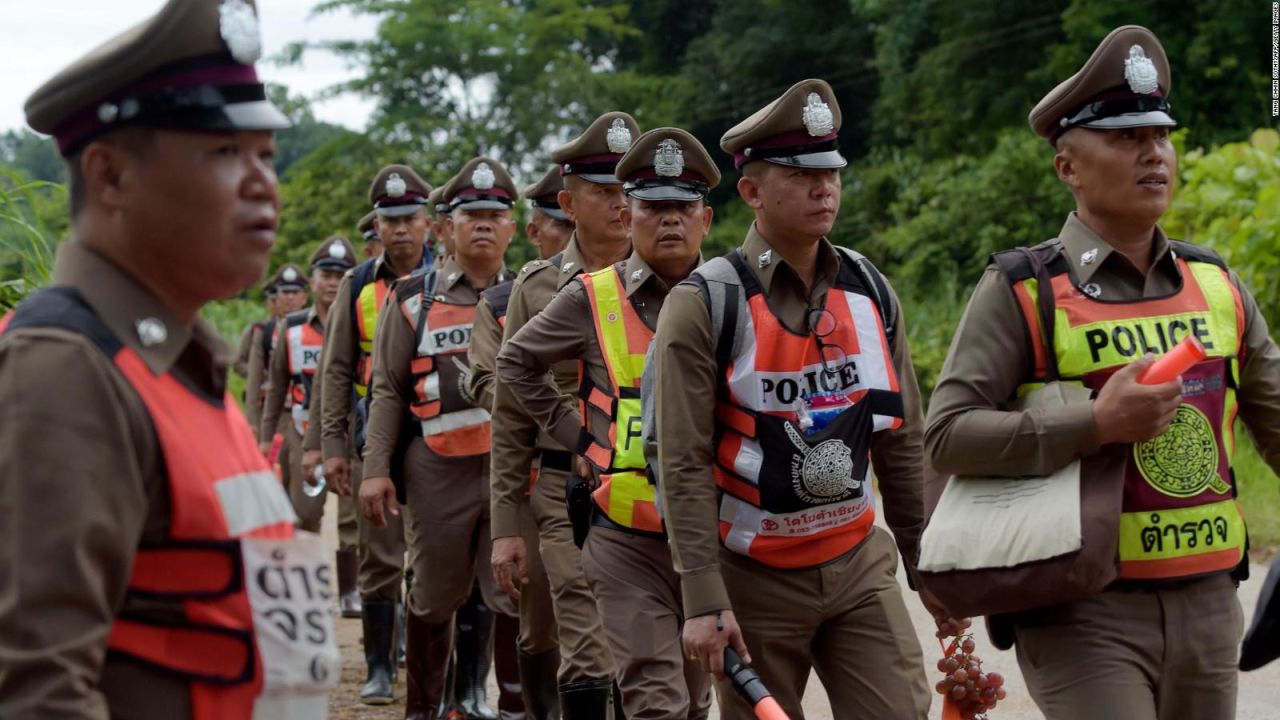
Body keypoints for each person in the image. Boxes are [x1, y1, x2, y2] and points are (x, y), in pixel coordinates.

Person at [924, 25, 1280, 720]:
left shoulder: (1216, 283)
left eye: (1161, 136)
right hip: (1083, 611)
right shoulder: (1024, 290)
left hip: (1210, 603)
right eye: (1125, 138)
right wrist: (1093, 423)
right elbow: (946, 435)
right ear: (1068, 167)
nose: (1154, 153)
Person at [0, 0, 341, 717]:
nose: (264, 184)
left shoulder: (182, 368)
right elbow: (38, 691)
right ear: (111, 176)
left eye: (266, 155)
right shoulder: (67, 371)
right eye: (224, 152)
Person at [652, 79, 938, 719]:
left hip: (859, 565)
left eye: (831, 172)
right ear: (751, 192)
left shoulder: (869, 290)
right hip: (752, 581)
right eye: (800, 174)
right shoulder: (705, 303)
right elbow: (681, 461)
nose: (824, 188)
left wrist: (924, 559)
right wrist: (702, 597)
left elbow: (901, 435)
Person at [498, 127, 718, 719]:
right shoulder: (585, 293)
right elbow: (513, 370)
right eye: (652, 206)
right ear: (630, 211)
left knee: (697, 699)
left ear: (707, 218)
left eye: (683, 208)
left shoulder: (731, 293)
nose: (668, 220)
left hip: (709, 532)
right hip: (615, 523)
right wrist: (583, 440)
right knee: (648, 695)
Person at [359, 157, 522, 719]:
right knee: (431, 596)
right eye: (469, 213)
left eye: (494, 214)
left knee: (512, 593)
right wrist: (375, 468)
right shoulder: (411, 300)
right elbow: (386, 391)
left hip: (510, 474)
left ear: (511, 228)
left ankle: (497, 705)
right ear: (445, 228)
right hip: (435, 473)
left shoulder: (533, 296)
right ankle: (423, 709)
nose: (482, 223)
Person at [489, 110, 639, 716]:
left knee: (658, 649)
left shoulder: (682, 279)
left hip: (654, 488)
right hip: (563, 490)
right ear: (569, 203)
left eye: (628, 189)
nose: (621, 204)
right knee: (586, 641)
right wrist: (505, 526)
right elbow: (510, 412)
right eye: (603, 191)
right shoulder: (537, 287)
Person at [319, 163, 434, 704]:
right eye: (391, 220)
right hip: (377, 442)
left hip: (439, 439)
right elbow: (337, 368)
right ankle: (380, 667)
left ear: (429, 223)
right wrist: (334, 447)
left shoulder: (453, 278)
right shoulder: (358, 284)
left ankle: (430, 664)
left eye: (411, 217)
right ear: (378, 225)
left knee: (437, 555)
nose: (401, 229)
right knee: (380, 554)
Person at [465, 164, 573, 720]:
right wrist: (548, 399)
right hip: (538, 468)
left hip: (610, 474)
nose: (571, 230)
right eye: (559, 221)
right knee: (541, 615)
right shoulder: (508, 300)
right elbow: (490, 384)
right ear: (538, 229)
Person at [260, 235, 356, 532]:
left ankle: (349, 580)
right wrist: (266, 439)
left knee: (352, 523)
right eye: (326, 275)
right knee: (304, 516)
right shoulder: (291, 328)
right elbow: (276, 388)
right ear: (312, 282)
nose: (332, 282)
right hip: (303, 436)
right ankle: (309, 576)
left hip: (352, 434)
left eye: (340, 276)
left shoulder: (363, 323)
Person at [245, 262, 306, 448]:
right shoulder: (264, 332)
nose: (290, 298)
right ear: (275, 298)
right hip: (276, 415)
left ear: (304, 297)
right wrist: (254, 422)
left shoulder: (315, 328)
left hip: (307, 416)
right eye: (285, 292)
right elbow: (253, 382)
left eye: (295, 293)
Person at [233, 285, 275, 378]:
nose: (277, 304)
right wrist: (258, 374)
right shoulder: (257, 329)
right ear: (266, 304)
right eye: (273, 301)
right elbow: (238, 363)